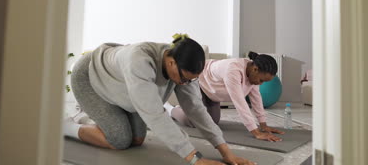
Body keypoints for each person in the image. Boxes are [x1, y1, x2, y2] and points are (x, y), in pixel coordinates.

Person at [63, 34, 255, 165]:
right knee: (119, 140)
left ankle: (98, 121)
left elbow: (196, 109)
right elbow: (155, 115)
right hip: (90, 77)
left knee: (137, 140)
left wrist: (226, 153)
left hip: (123, 88)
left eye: (191, 79)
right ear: (171, 62)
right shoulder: (140, 62)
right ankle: (65, 126)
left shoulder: (182, 67)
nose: (186, 83)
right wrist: (195, 159)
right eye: (185, 78)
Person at [164, 52, 285, 142]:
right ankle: (169, 109)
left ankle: (185, 108)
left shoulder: (254, 77)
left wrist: (263, 125)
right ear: (255, 69)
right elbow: (239, 103)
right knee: (194, 122)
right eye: (261, 80)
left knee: (213, 121)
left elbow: (256, 99)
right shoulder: (233, 69)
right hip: (200, 83)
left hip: (212, 94)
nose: (260, 83)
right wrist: (255, 132)